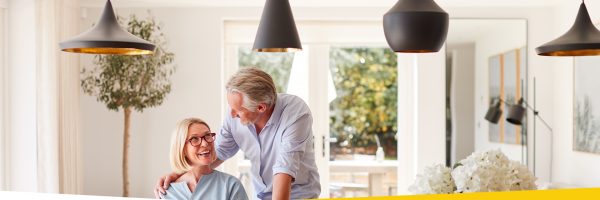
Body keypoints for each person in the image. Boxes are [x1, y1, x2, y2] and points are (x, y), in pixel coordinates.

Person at [155, 67, 321, 200]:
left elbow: (284, 169)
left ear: (261, 108)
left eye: (237, 111)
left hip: (297, 196)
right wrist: (178, 174)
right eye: (231, 108)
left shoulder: (295, 114)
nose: (232, 115)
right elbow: (214, 153)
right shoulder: (234, 115)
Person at [159, 118, 249, 200]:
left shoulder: (231, 185)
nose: (205, 144)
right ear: (182, 149)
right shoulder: (168, 191)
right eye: (194, 139)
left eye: (208, 136)